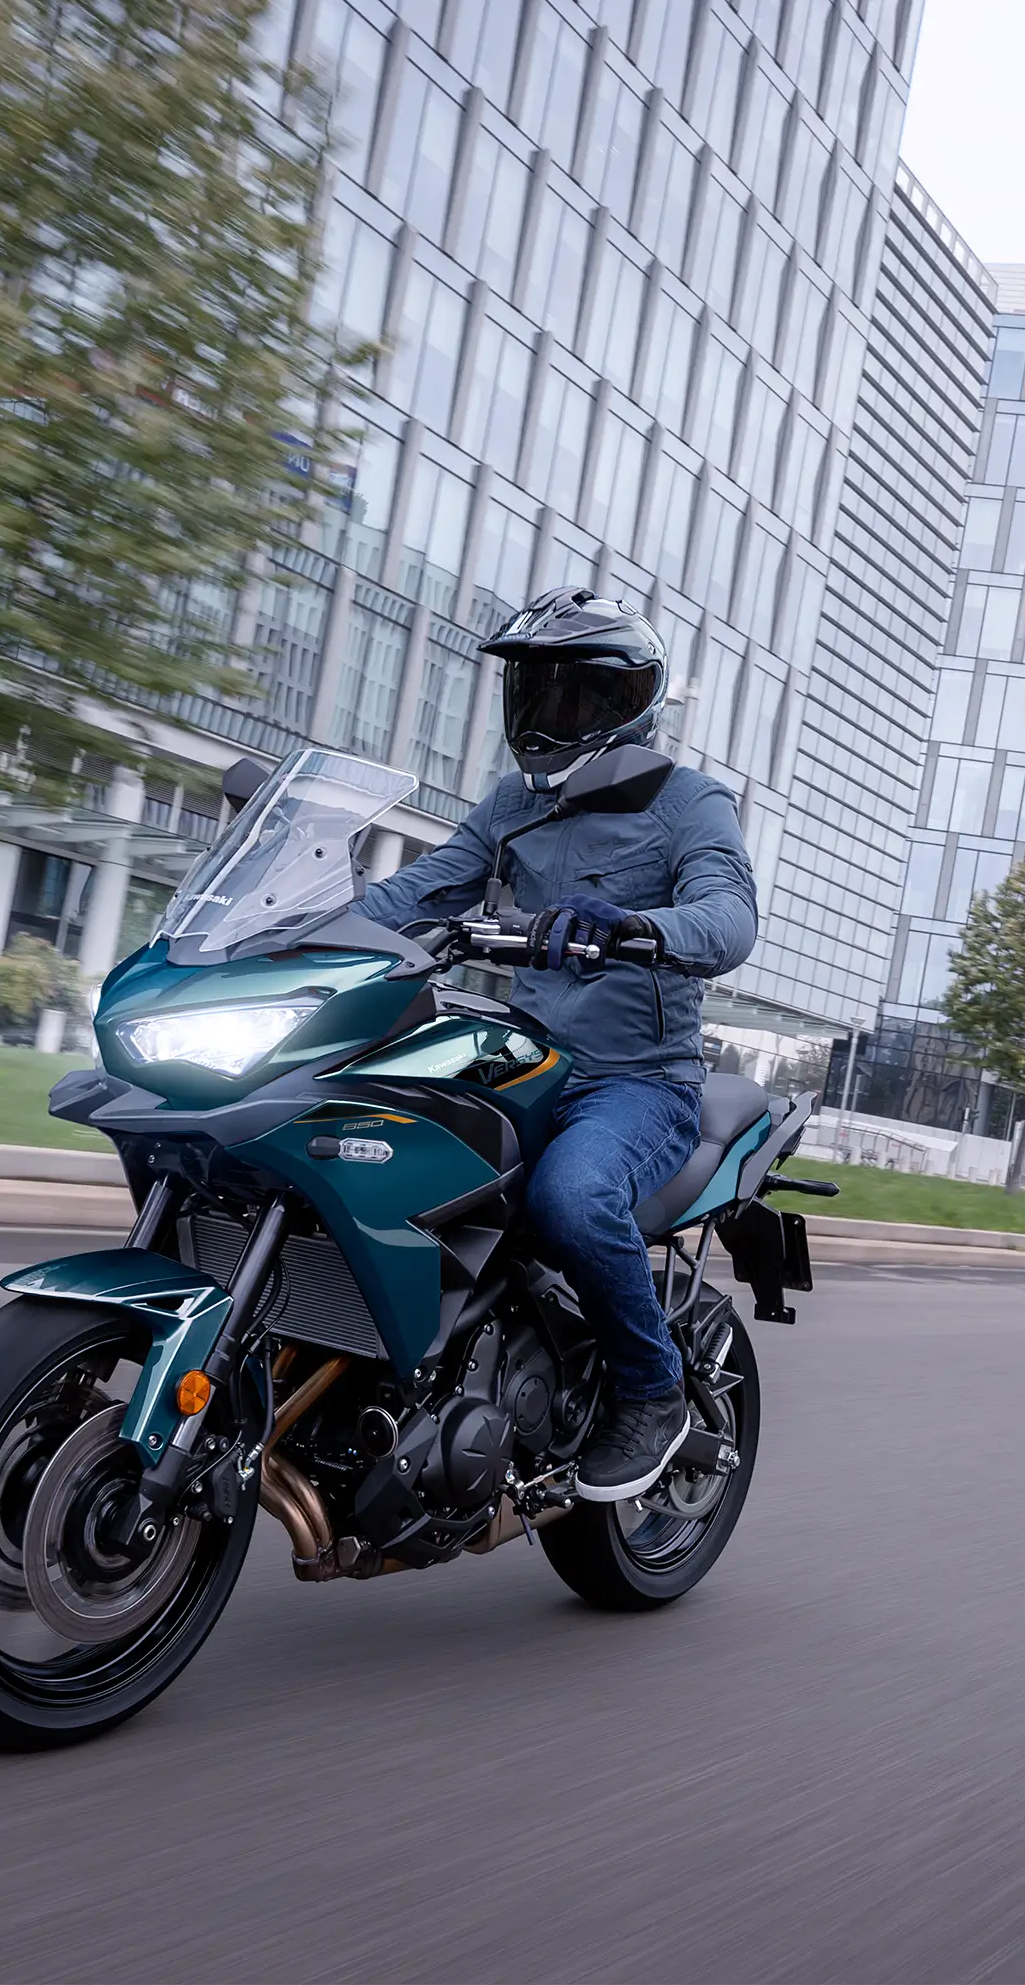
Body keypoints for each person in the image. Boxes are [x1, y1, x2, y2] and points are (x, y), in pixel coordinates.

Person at [355, 587, 757, 1502]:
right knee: (371, 1148)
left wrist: (640, 927)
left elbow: (730, 918)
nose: (546, 715)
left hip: (635, 1083)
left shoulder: (689, 803)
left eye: (572, 695)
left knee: (572, 1198)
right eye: (533, 692)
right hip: (517, 1060)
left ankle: (652, 1395)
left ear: (627, 703)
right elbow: (418, 893)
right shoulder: (510, 804)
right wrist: (290, 924)